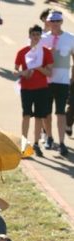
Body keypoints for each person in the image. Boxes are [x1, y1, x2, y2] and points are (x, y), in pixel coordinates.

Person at [16, 25, 54, 156]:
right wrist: (23, 72)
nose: (36, 37)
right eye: (33, 34)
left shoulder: (46, 52)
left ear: (41, 36)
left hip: (41, 89)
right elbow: (15, 70)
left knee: (39, 116)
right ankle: (24, 143)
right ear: (29, 36)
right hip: (26, 88)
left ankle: (36, 143)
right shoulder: (22, 52)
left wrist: (38, 68)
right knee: (26, 115)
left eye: (38, 34)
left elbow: (49, 73)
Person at [41, 11, 74, 156]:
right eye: (51, 21)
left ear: (61, 22)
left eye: (57, 21)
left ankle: (61, 143)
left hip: (62, 81)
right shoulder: (42, 38)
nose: (54, 23)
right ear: (47, 22)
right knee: (46, 112)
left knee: (60, 112)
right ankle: (49, 137)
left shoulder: (70, 38)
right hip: (45, 81)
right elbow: (35, 58)